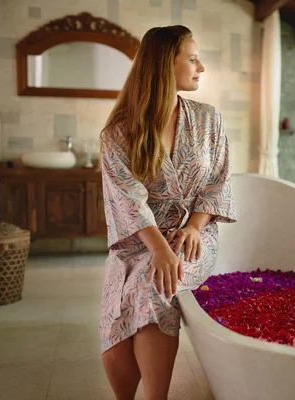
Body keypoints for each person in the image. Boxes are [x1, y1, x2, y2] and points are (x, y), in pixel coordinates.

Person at [98, 25, 236, 400]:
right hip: (136, 240)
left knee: (153, 284)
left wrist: (194, 226)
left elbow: (219, 182)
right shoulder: (118, 133)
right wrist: (156, 247)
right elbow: (128, 199)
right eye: (192, 58)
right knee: (117, 308)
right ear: (163, 65)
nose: (201, 67)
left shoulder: (208, 120)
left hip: (191, 240)